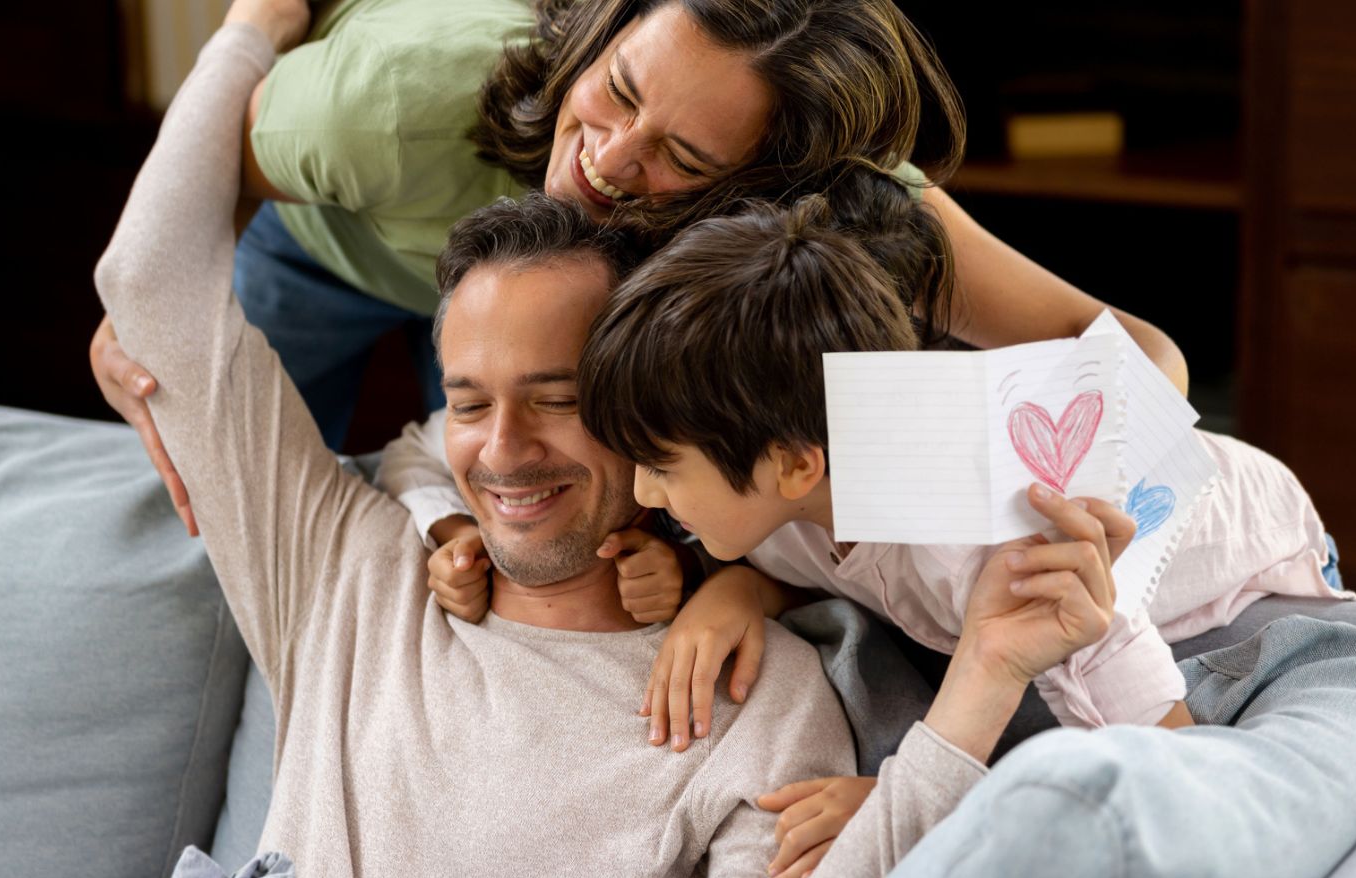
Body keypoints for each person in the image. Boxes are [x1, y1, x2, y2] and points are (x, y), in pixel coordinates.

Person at [92, 20, 1141, 878]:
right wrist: (250, 31)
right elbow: (150, 281)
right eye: (467, 402)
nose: (501, 453)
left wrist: (980, 686)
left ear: (656, 407)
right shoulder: (342, 557)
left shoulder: (756, 691)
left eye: (558, 401)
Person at [90, 0, 1191, 534]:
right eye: (619, 89)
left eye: (684, 157)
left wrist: (1053, 486)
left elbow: (1138, 355)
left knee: (521, 557)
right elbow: (208, 157)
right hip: (335, 243)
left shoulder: (841, 200)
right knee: (199, 520)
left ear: (765, 186)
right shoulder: (386, 105)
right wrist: (145, 300)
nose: (608, 159)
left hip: (559, 328)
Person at [567, 194, 1353, 878]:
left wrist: (913, 805)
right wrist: (737, 589)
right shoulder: (782, 505)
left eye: (661, 466)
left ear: (796, 465)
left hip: (1259, 539)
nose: (641, 494)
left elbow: (1169, 772)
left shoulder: (1006, 555)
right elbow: (823, 566)